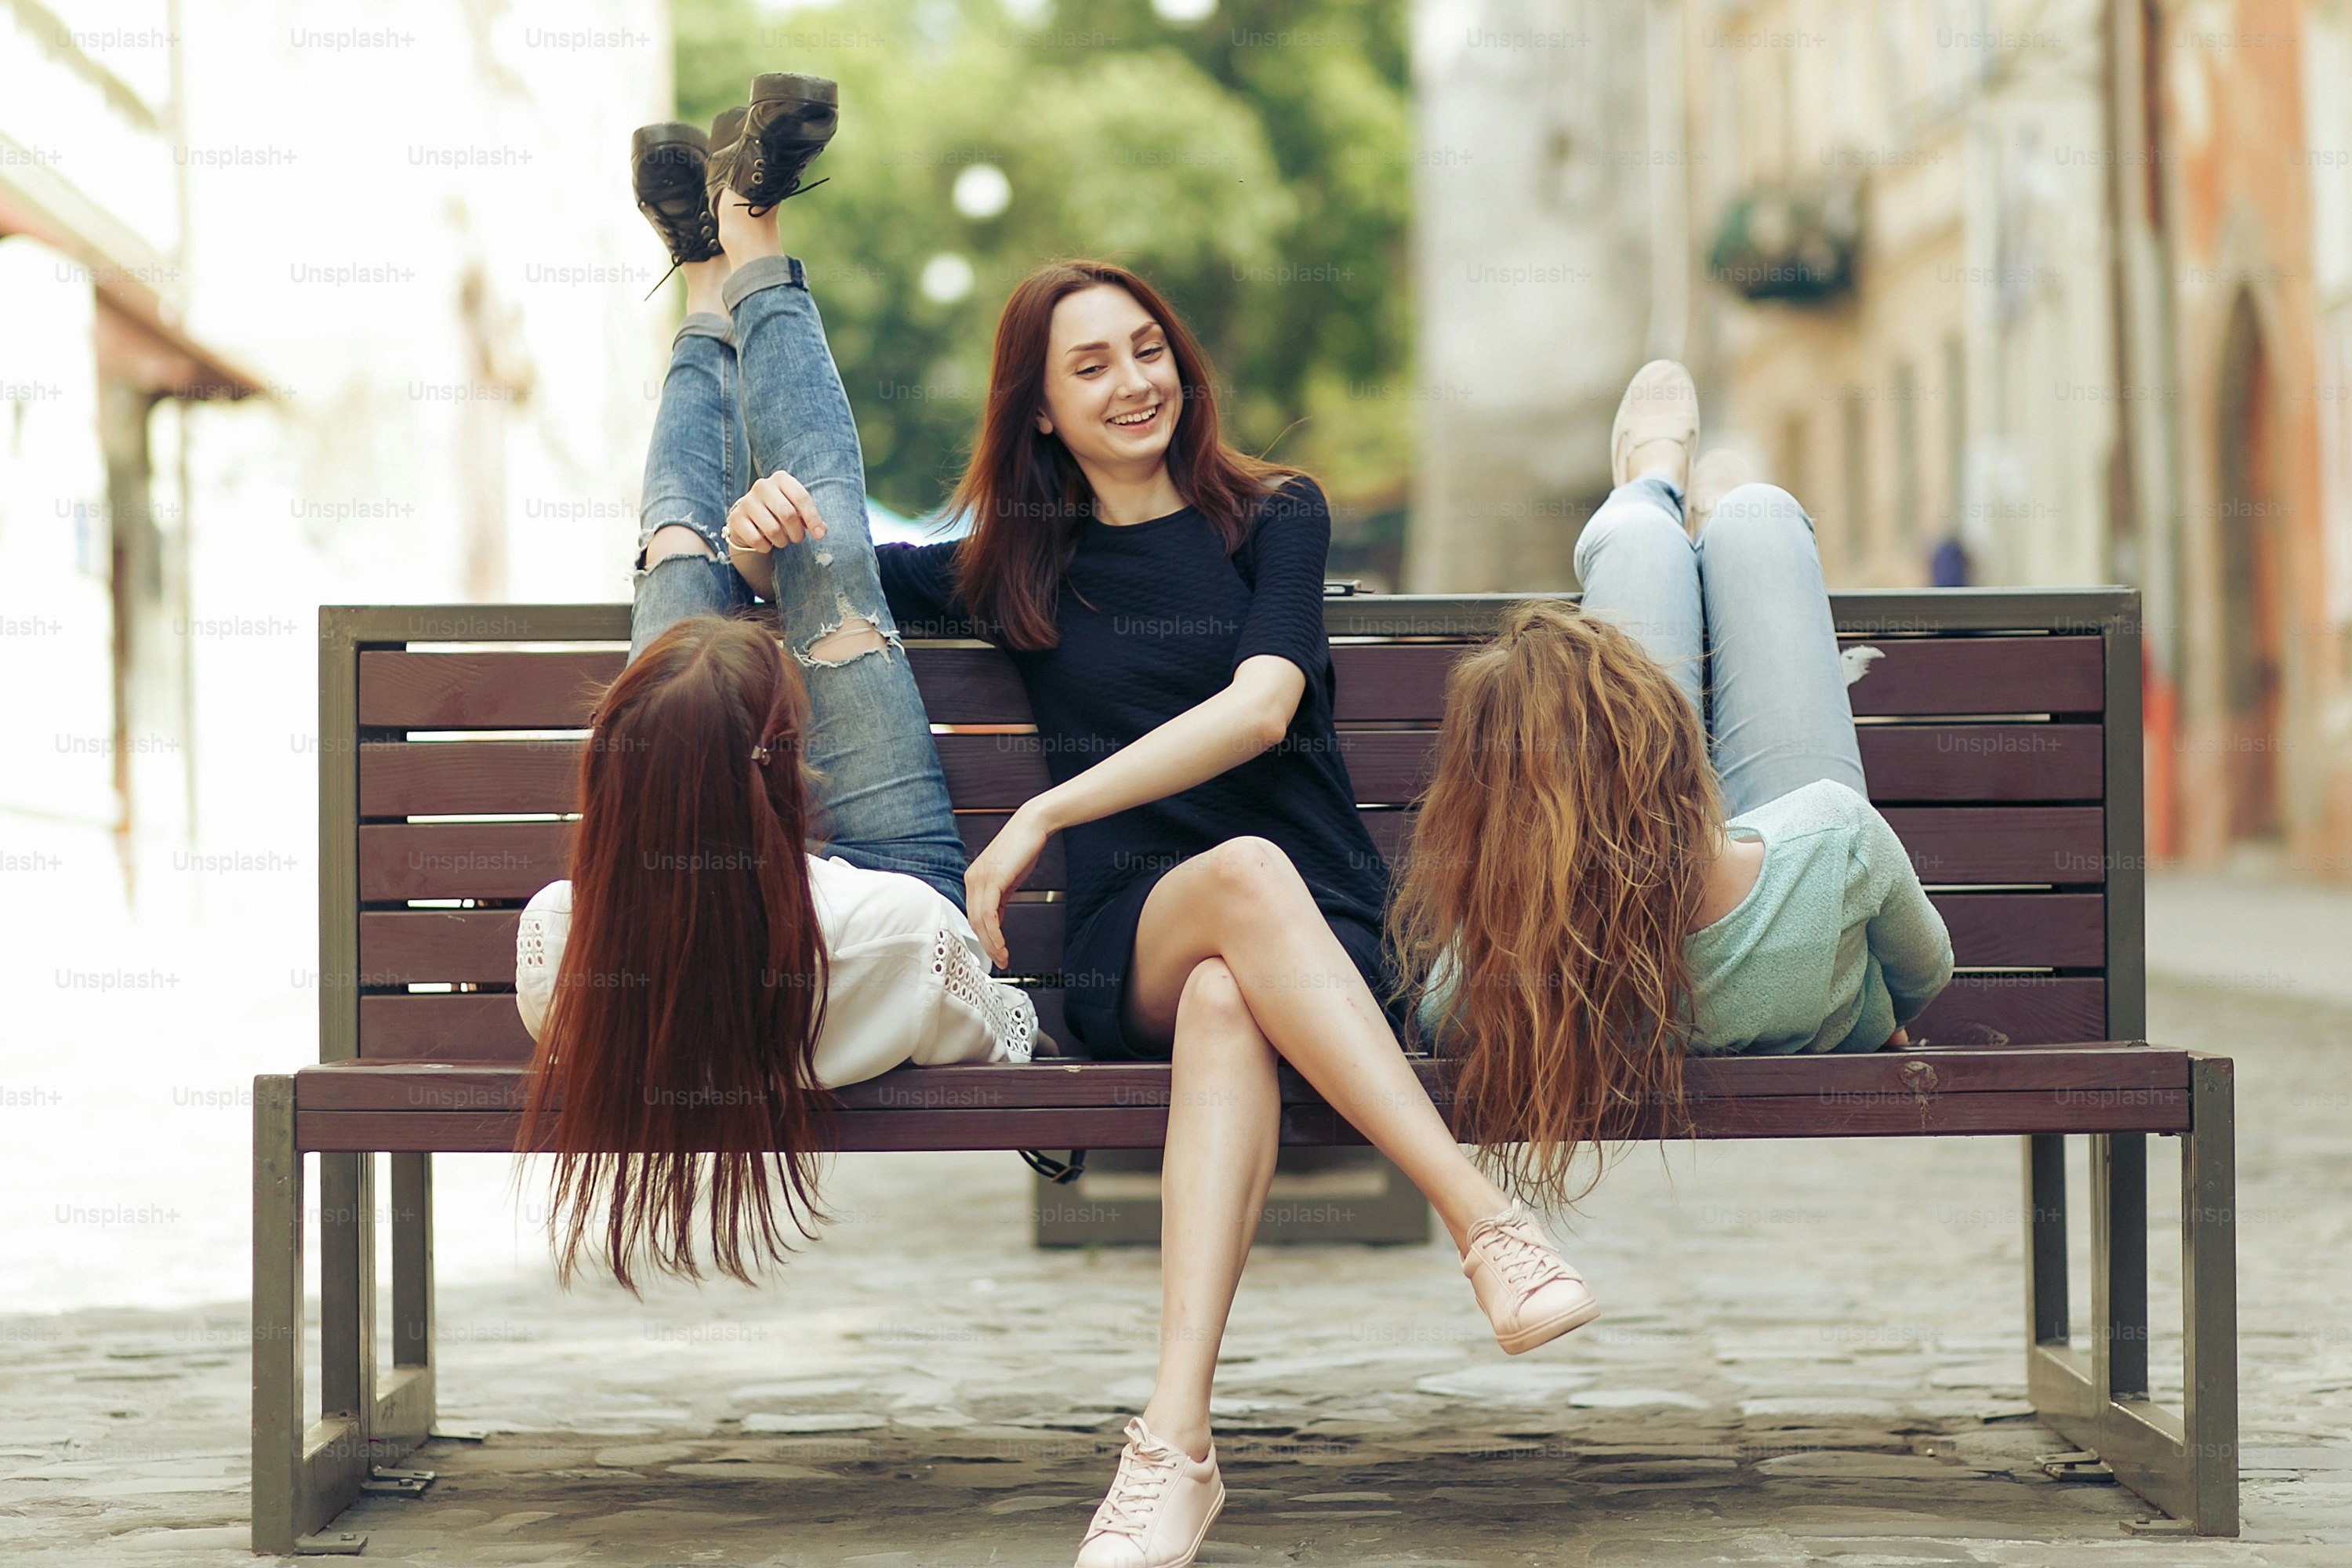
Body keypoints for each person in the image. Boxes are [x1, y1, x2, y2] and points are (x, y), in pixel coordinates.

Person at [818, 260, 1594, 1568]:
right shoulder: (1014, 564)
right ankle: (1487, 1224)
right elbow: (821, 577)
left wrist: (1044, 813)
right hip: (1139, 940)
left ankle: (1172, 1448)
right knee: (1233, 896)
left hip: (1324, 937)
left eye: (1146, 349)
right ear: (1043, 412)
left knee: (1246, 955)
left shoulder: (1272, 518)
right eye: (1092, 366)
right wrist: (745, 527)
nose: (1133, 382)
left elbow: (1263, 706)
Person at [511, 76, 1045, 1294]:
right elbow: (999, 1032)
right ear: (785, 761)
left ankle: (713, 270)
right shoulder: (571, 934)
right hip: (878, 897)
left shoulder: (572, 942)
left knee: (755, 572)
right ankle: (741, 245)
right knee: (737, 557)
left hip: (796, 885)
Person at [1389, 361, 1958, 1210]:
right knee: (1753, 523)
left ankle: (1668, 491)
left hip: (1608, 933)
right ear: (1672, 738)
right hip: (1757, 875)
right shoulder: (1830, 832)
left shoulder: (1502, 973)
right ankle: (1676, 497)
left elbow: (1445, 1018)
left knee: (1702, 541)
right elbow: (1927, 971)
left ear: (1492, 810)